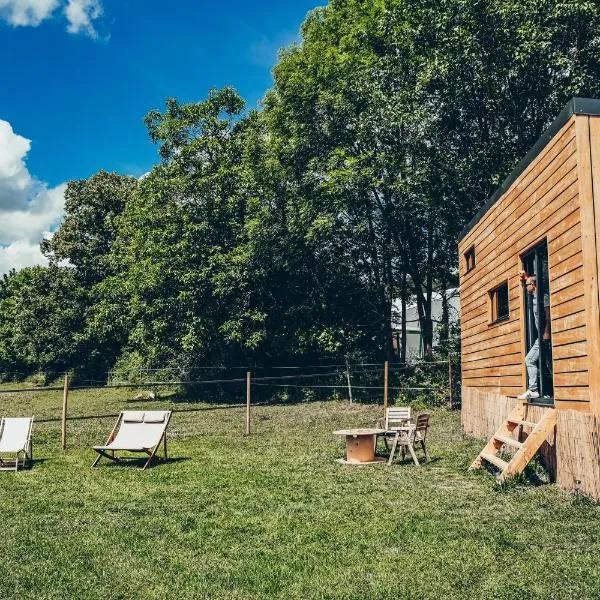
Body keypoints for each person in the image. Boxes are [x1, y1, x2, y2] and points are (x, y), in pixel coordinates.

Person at [517, 270, 550, 400]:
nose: (525, 288)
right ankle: (549, 391)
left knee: (530, 359)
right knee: (547, 362)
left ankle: (533, 390)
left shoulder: (543, 296)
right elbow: (529, 281)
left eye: (527, 285)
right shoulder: (534, 296)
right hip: (541, 336)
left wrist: (547, 332)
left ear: (534, 285)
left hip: (545, 335)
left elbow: (548, 316)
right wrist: (525, 277)